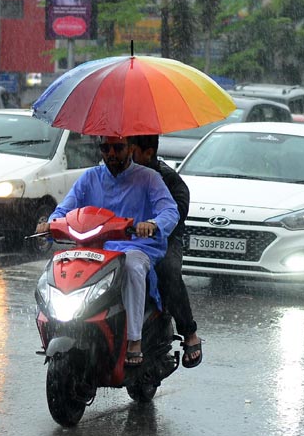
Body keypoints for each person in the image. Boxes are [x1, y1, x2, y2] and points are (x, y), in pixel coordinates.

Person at [36, 135, 179, 366]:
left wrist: (152, 224)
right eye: (105, 147)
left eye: (118, 147)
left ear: (131, 148)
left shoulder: (149, 178)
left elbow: (170, 211)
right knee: (58, 266)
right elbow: (65, 208)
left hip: (136, 248)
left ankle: (134, 339)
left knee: (132, 267)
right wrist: (50, 224)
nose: (111, 153)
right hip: (95, 249)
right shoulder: (90, 177)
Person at [127, 134, 203, 369]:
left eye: (131, 150)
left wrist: (155, 224)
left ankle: (189, 333)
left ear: (147, 152)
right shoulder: (115, 175)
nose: (124, 155)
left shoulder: (169, 180)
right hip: (125, 238)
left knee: (167, 271)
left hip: (164, 239)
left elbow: (176, 214)